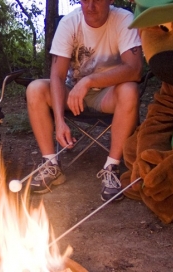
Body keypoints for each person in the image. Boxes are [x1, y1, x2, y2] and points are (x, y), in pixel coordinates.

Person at [25, 0, 142, 201]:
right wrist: (60, 121)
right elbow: (57, 76)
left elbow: (135, 69)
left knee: (130, 90)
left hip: (108, 93)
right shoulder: (70, 23)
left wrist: (89, 81)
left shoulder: (123, 19)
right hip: (73, 93)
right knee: (35, 89)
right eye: (85, 0)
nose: (90, 6)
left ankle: (111, 167)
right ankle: (51, 164)